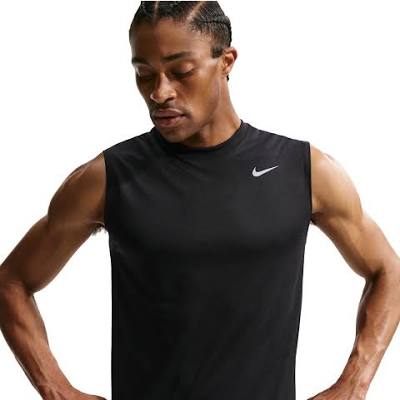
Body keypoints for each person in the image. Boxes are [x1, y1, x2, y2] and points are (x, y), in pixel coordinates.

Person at [0, 2, 399, 399]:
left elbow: (388, 272)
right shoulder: (108, 177)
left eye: (181, 71)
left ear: (226, 61)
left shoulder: (303, 169)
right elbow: (11, 283)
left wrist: (354, 384)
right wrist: (56, 390)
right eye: (144, 74)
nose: (159, 92)